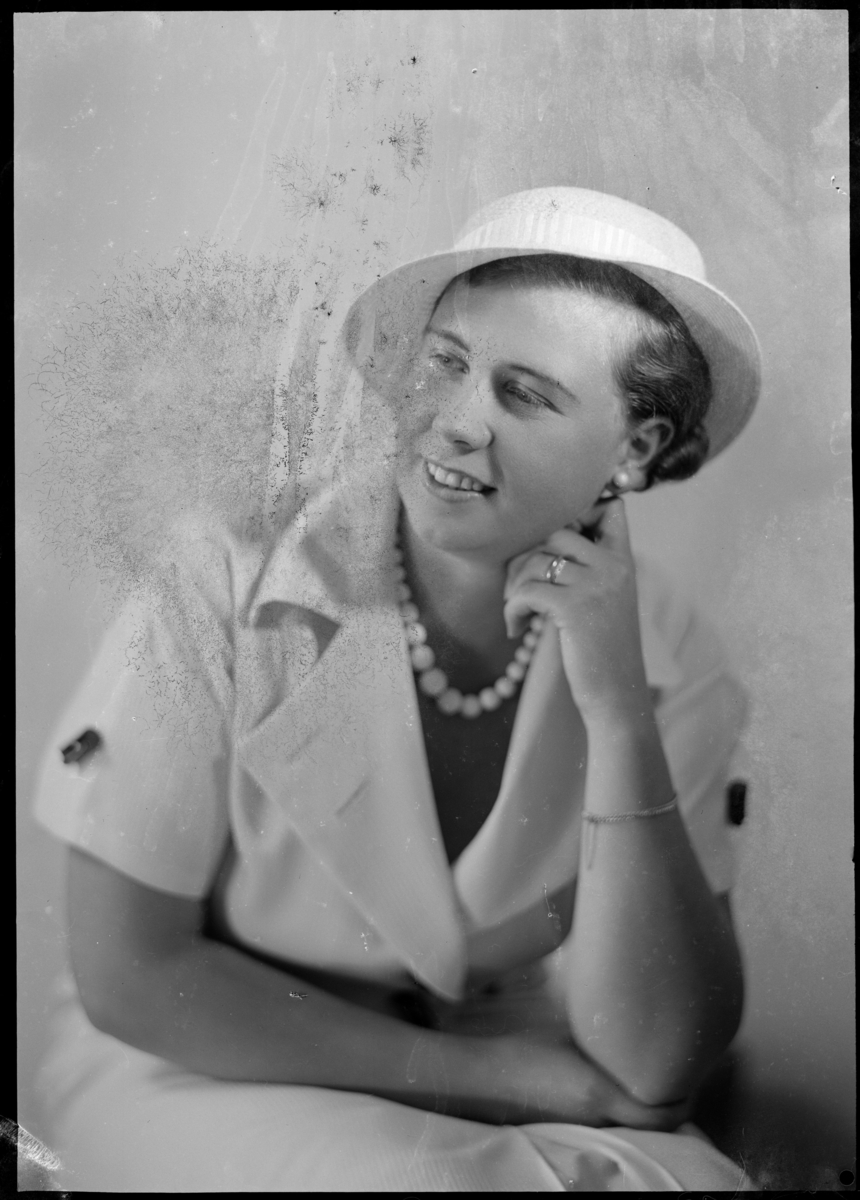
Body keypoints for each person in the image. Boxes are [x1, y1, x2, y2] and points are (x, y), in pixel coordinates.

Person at [32, 187, 760, 1191]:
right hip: (205, 1061)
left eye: (526, 394)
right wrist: (499, 1079)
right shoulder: (222, 575)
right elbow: (133, 976)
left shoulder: (669, 650)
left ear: (632, 450)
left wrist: (617, 709)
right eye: (446, 365)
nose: (455, 425)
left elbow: (655, 1063)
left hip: (512, 1061)